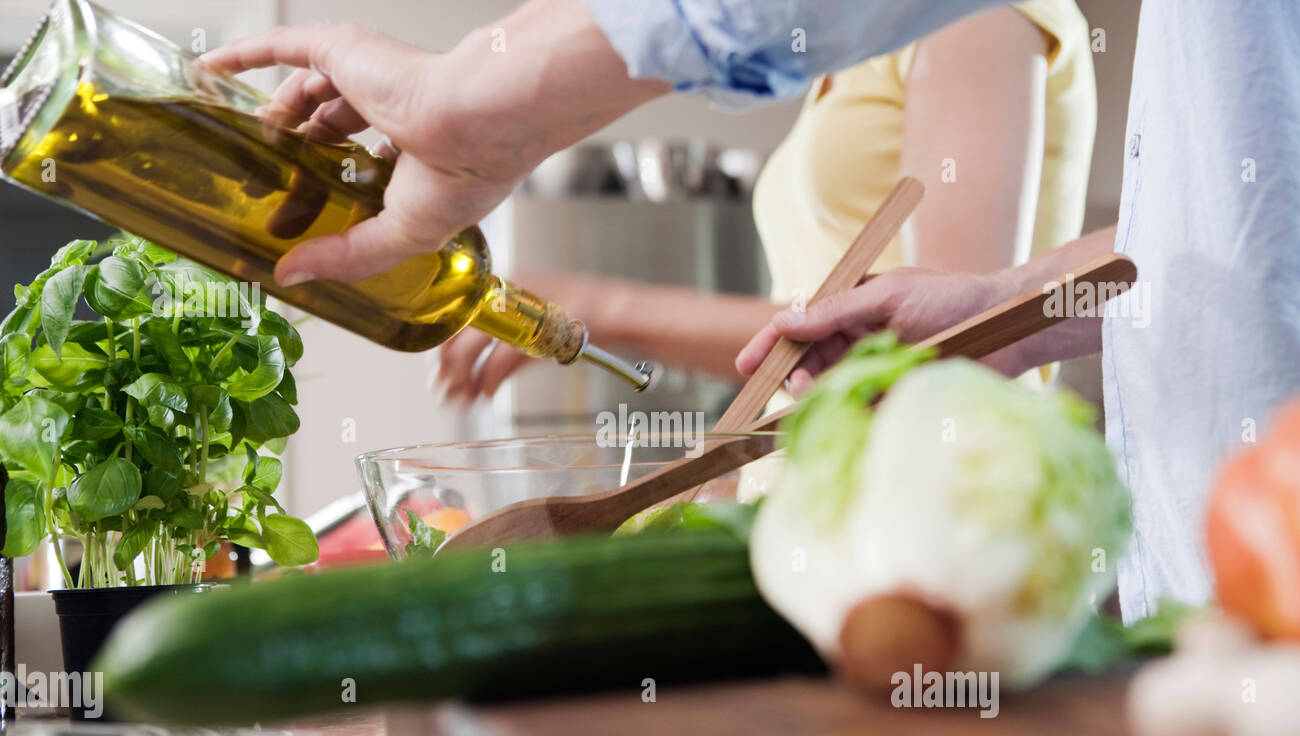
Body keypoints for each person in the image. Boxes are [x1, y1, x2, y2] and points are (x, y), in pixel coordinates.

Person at [202, 0, 1300, 621]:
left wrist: (496, 106)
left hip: (1101, 568)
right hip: (1210, 596)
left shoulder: (983, 19)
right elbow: (1225, 232)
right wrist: (998, 301)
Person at [430, 1, 1096, 400]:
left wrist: (602, 305)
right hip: (824, 508)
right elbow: (821, 342)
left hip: (913, 523)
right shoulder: (862, 43)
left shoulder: (979, 15)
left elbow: (951, 349)